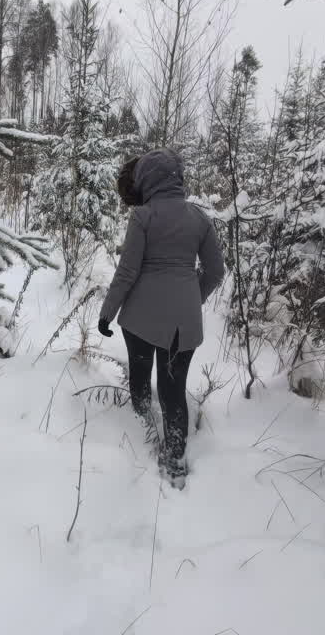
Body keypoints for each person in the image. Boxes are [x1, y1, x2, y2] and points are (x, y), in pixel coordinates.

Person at [98, 148, 224, 488]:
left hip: (139, 318)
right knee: (173, 393)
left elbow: (127, 273)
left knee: (140, 377)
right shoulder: (200, 219)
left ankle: (141, 426)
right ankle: (176, 462)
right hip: (183, 328)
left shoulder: (143, 217)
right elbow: (215, 271)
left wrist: (107, 312)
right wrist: (190, 299)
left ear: (147, 180)